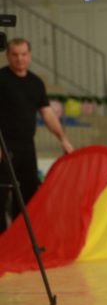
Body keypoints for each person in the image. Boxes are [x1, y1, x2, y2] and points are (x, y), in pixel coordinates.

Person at [0, 38, 73, 234]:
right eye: (15, 55)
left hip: (27, 147)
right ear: (8, 56)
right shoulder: (1, 78)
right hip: (4, 147)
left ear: (30, 55)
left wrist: (63, 138)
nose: (20, 59)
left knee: (27, 196)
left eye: (23, 54)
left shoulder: (36, 83)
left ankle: (21, 240)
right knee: (1, 194)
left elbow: (47, 114)